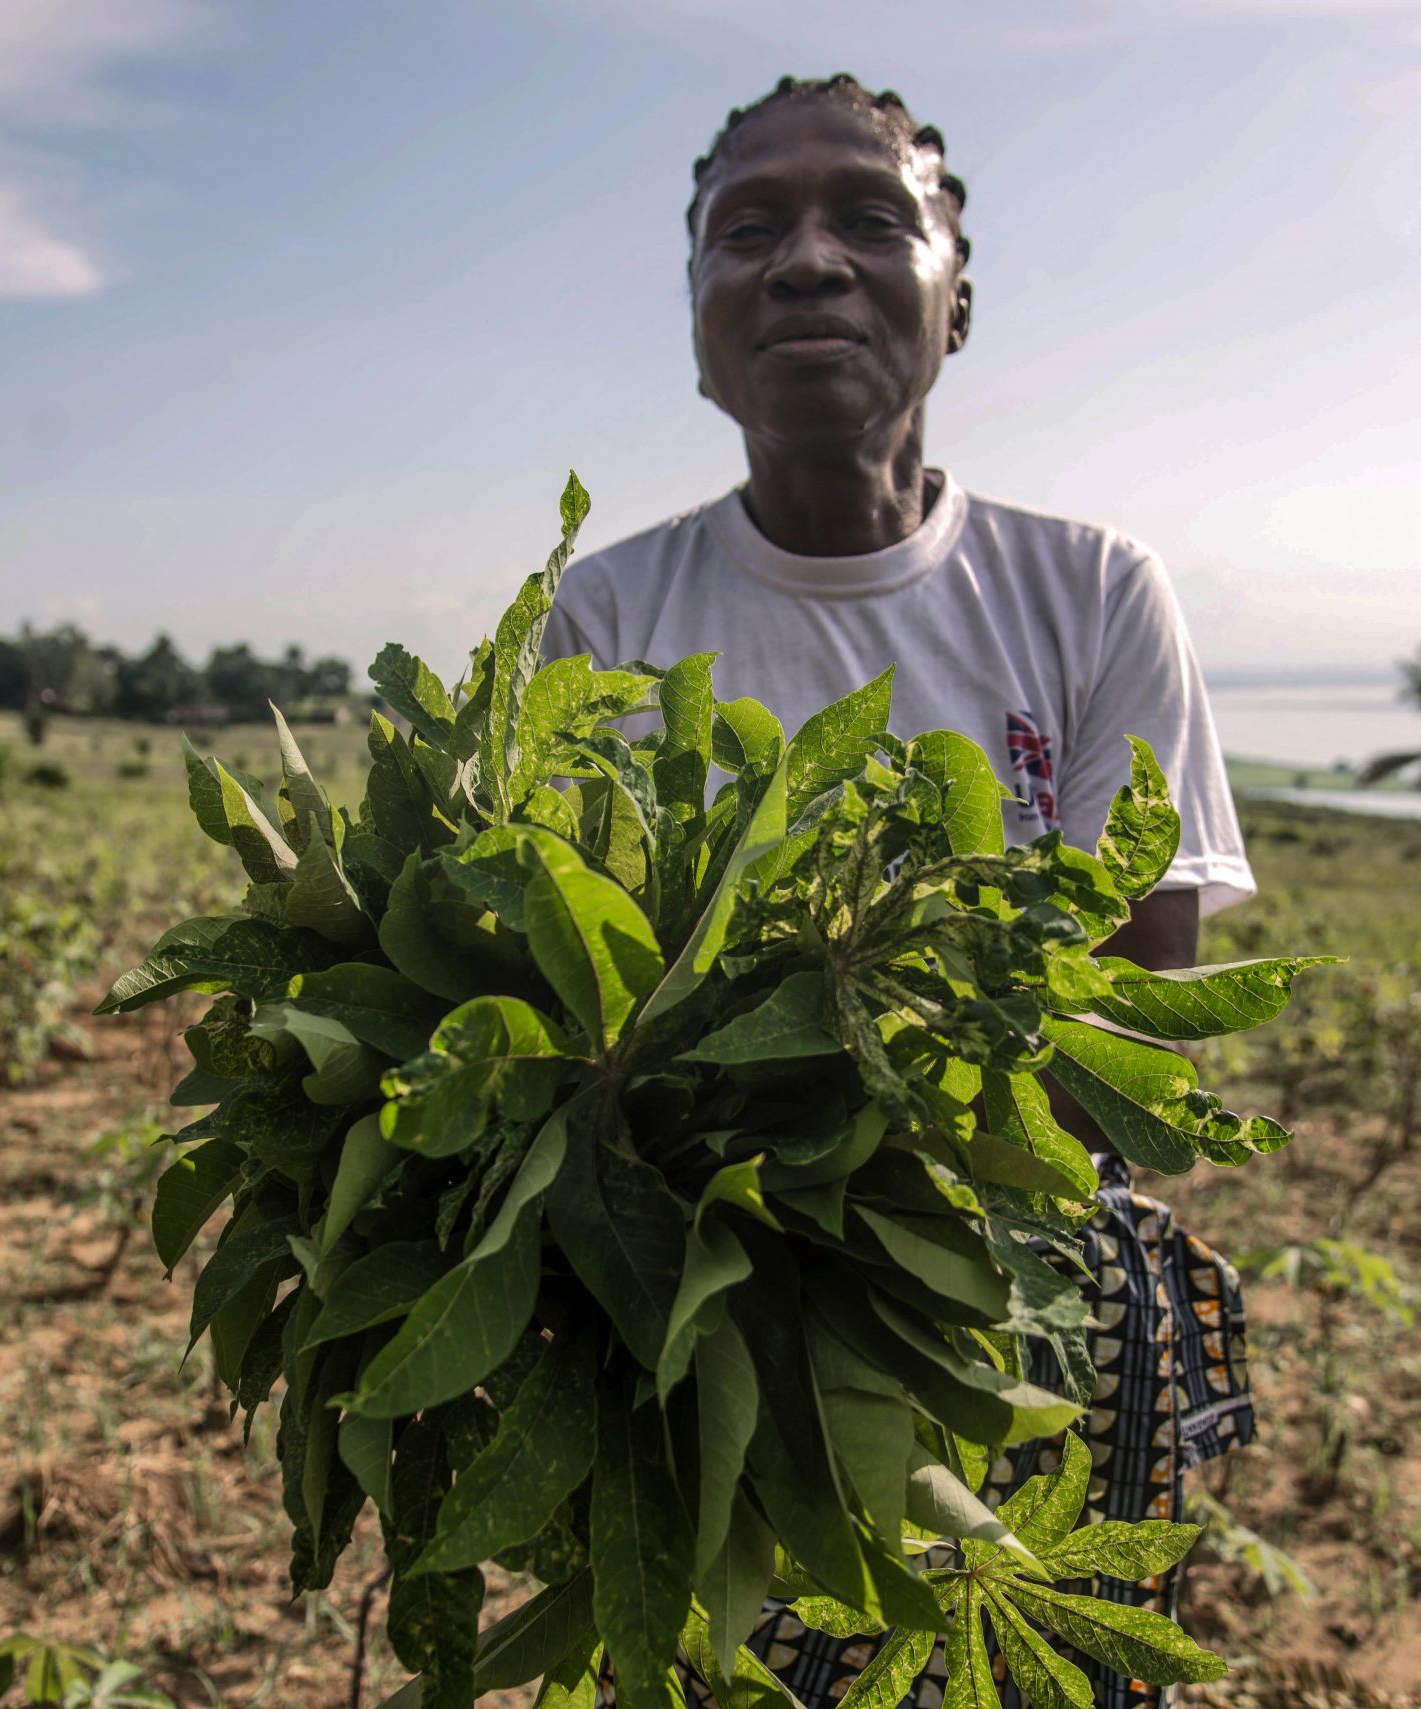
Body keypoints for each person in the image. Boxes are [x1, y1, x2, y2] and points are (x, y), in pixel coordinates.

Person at [546, 74, 1258, 1709]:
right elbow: (563, 1018)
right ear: (700, 321)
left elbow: (1131, 1025)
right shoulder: (605, 615)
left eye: (870, 216)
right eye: (752, 229)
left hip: (1021, 1307)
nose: (806, 260)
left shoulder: (1087, 593)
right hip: (701, 1335)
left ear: (956, 297)